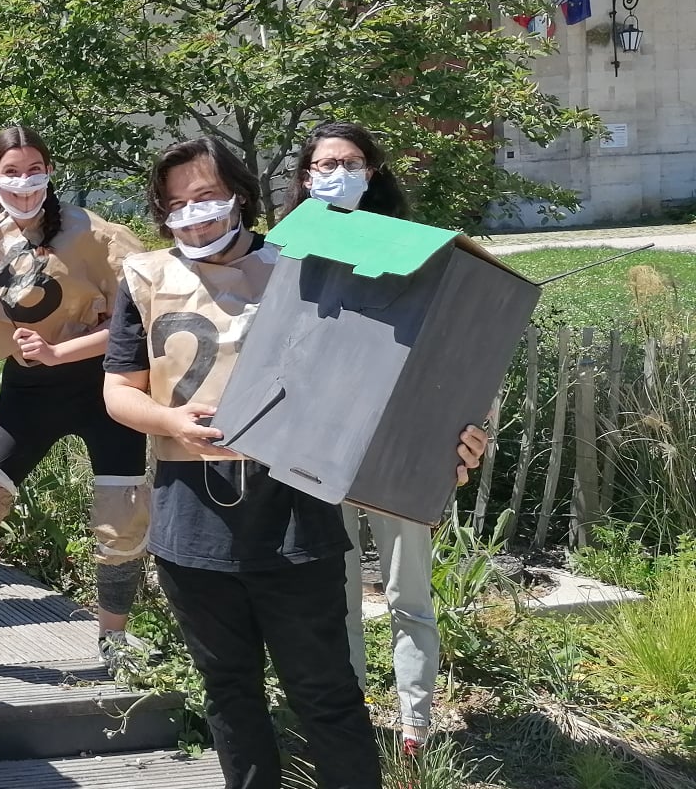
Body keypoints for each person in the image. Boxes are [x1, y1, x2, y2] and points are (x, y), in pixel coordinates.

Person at [100, 136, 487, 789]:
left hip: (293, 518)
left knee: (325, 691)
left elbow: (392, 368)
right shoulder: (145, 278)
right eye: (176, 203)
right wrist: (171, 422)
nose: (193, 213)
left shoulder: (303, 262)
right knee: (229, 691)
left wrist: (449, 441)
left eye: (206, 196)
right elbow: (119, 390)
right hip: (190, 520)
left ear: (240, 196)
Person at [0, 127, 150, 689]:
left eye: (34, 169)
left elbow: (138, 325)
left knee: (122, 518)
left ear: (49, 171)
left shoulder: (91, 232)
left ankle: (114, 639)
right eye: (11, 172)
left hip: (104, 390)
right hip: (25, 395)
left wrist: (60, 352)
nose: (24, 183)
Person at [282, 121, 438, 753]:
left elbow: (441, 337)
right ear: (305, 176)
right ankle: (350, 720)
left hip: (397, 438)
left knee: (408, 588)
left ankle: (416, 722)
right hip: (322, 440)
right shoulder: (291, 249)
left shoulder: (409, 247)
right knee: (337, 590)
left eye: (350, 163)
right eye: (325, 164)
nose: (338, 173)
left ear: (371, 172)